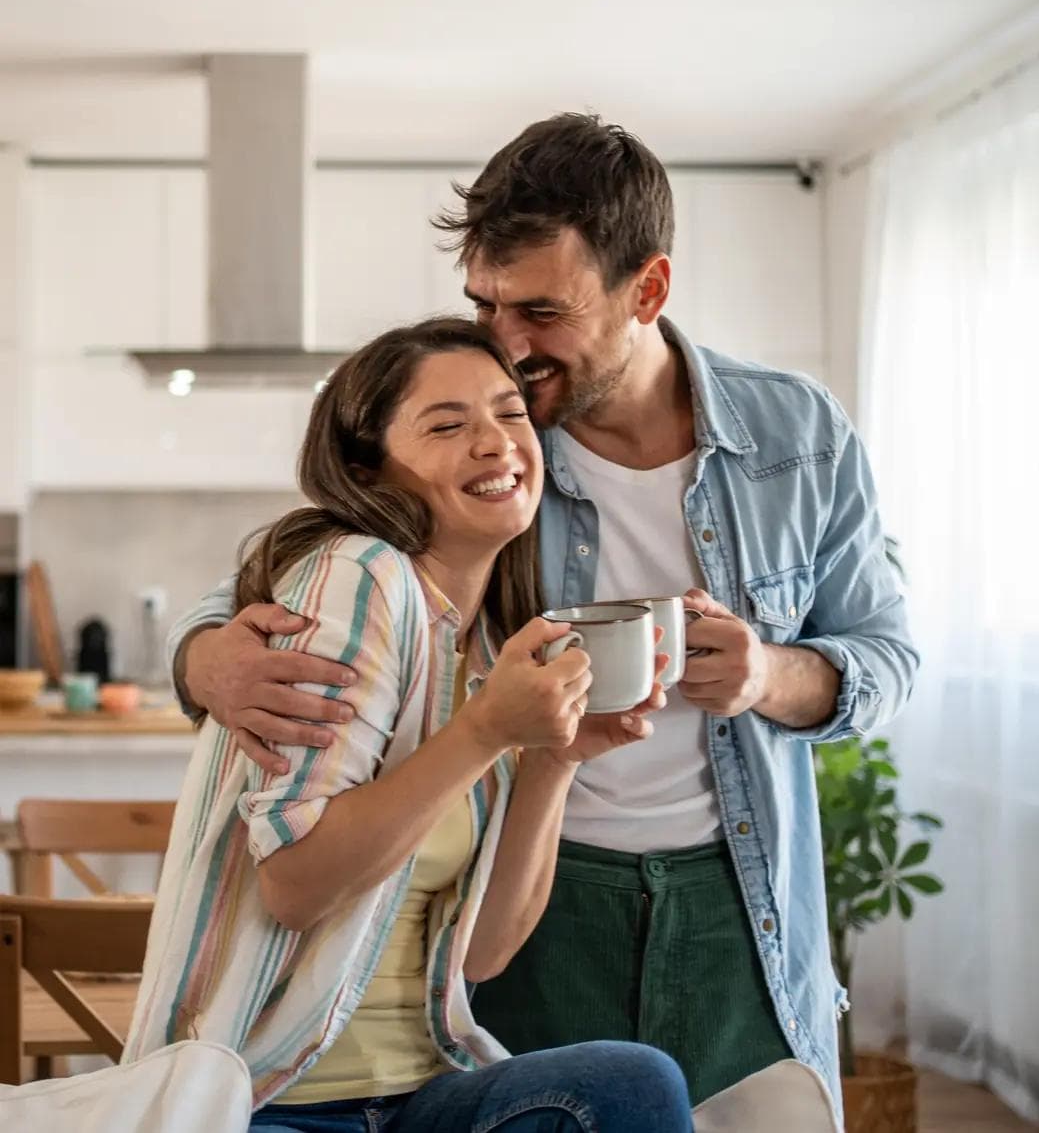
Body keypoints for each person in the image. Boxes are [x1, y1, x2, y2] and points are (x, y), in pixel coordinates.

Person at [171, 115, 919, 1113]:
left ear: (645, 289)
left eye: (539, 311)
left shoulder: (793, 432)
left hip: (736, 896)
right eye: (482, 302)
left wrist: (764, 676)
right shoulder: (491, 445)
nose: (505, 346)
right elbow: (269, 585)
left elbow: (886, 657)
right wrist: (203, 661)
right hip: (527, 893)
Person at [128, 316, 692, 1133]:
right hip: (266, 1101)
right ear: (368, 469)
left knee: (632, 1086)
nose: (496, 442)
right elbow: (295, 884)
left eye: (509, 413)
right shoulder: (360, 576)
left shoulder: (491, 643)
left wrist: (554, 759)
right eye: (448, 424)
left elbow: (487, 952)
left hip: (422, 1095)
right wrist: (485, 733)